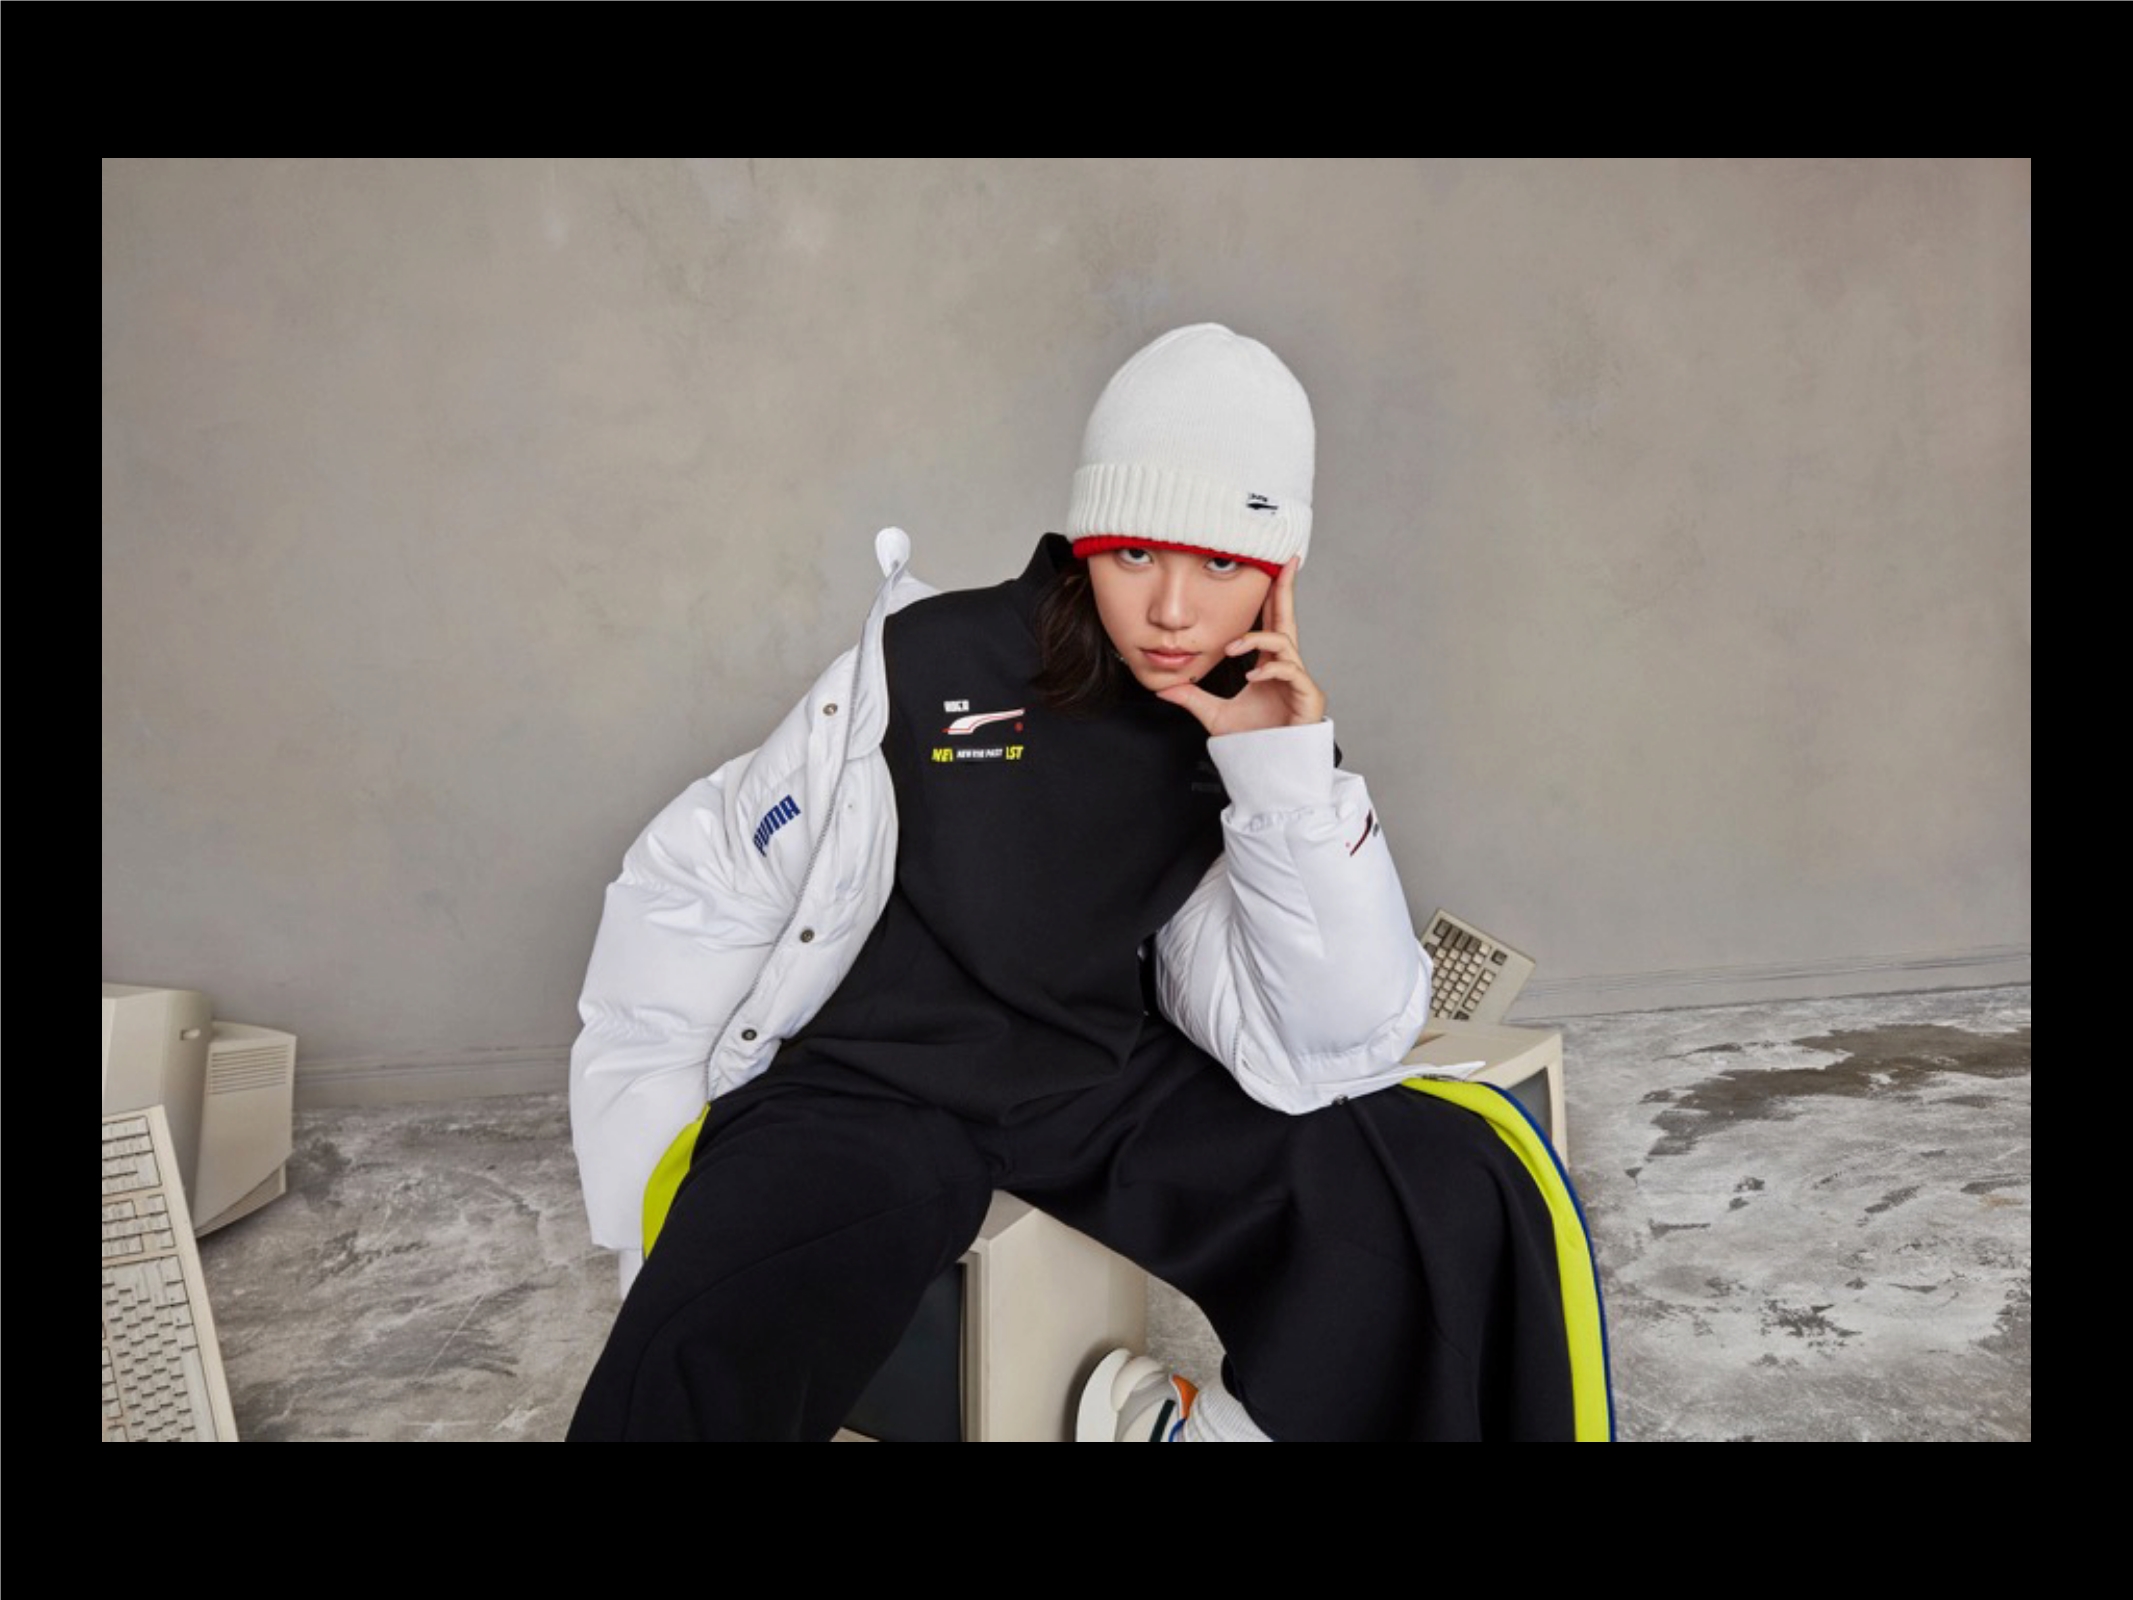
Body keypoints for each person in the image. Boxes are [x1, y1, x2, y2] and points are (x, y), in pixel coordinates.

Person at [566, 323, 1606, 1441]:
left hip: (1101, 1084)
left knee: (1443, 1184)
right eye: (1137, 555)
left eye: (1222, 564)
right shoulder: (927, 659)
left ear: (1279, 572)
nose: (1174, 610)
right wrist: (654, 1180)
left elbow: (1330, 1047)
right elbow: (699, 887)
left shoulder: (1244, 727)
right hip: (873, 1084)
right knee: (715, 1325)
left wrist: (1283, 772)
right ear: (1085, 542)